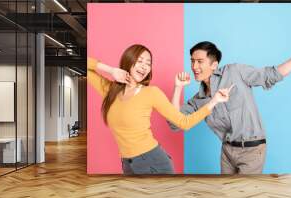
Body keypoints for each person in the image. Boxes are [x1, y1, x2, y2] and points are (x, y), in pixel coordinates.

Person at [87, 44, 233, 175]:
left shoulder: (151, 93)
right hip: (127, 163)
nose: (144, 67)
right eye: (139, 61)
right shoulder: (110, 90)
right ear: (128, 61)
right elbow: (86, 65)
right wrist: (111, 70)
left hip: (152, 161)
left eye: (148, 63)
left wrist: (214, 101)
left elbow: (184, 122)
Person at [169, 41, 291, 174]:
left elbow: (271, 75)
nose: (194, 66)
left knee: (244, 193)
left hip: (252, 149)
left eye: (199, 61)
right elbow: (175, 123)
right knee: (227, 193)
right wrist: (178, 87)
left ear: (214, 65)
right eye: (192, 61)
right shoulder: (198, 100)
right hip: (227, 152)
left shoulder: (234, 72)